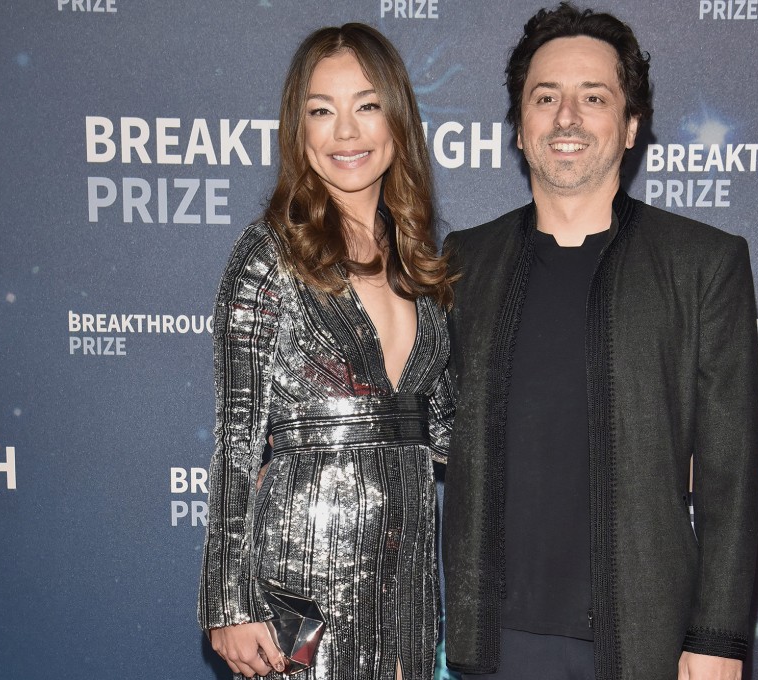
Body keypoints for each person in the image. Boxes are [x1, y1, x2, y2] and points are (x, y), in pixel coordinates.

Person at [441, 4, 758, 680]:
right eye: (546, 97)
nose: (567, 117)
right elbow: (422, 422)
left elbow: (733, 474)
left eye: (594, 97)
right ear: (519, 126)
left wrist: (719, 639)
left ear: (630, 126)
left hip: (645, 644)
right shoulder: (466, 262)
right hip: (494, 645)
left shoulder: (703, 262)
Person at [198, 23, 456, 680]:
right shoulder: (269, 256)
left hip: (408, 577)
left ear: (396, 119)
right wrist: (229, 602)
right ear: (298, 128)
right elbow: (235, 438)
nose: (346, 132)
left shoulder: (421, 263)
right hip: (302, 582)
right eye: (322, 111)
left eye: (366, 106)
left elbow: (450, 428)